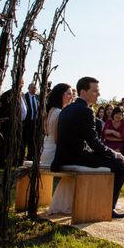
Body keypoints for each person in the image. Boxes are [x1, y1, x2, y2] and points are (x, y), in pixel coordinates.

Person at [51, 76, 124, 219]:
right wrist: (113, 153)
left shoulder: (67, 109)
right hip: (76, 157)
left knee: (110, 160)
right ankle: (108, 207)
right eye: (95, 91)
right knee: (122, 165)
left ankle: (103, 201)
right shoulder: (86, 110)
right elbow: (93, 142)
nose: (98, 94)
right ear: (83, 92)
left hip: (62, 157)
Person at [40, 82, 74, 215]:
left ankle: (63, 202)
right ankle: (68, 204)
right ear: (61, 95)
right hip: (53, 154)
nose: (71, 96)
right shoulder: (59, 113)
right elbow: (57, 139)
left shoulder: (50, 110)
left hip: (45, 152)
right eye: (69, 93)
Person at [22, 82, 39, 164]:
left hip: (35, 122)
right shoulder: (25, 97)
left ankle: (30, 156)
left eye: (35, 88)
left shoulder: (37, 97)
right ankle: (21, 158)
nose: (34, 89)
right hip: (27, 122)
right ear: (28, 88)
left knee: (33, 140)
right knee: (25, 139)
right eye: (32, 88)